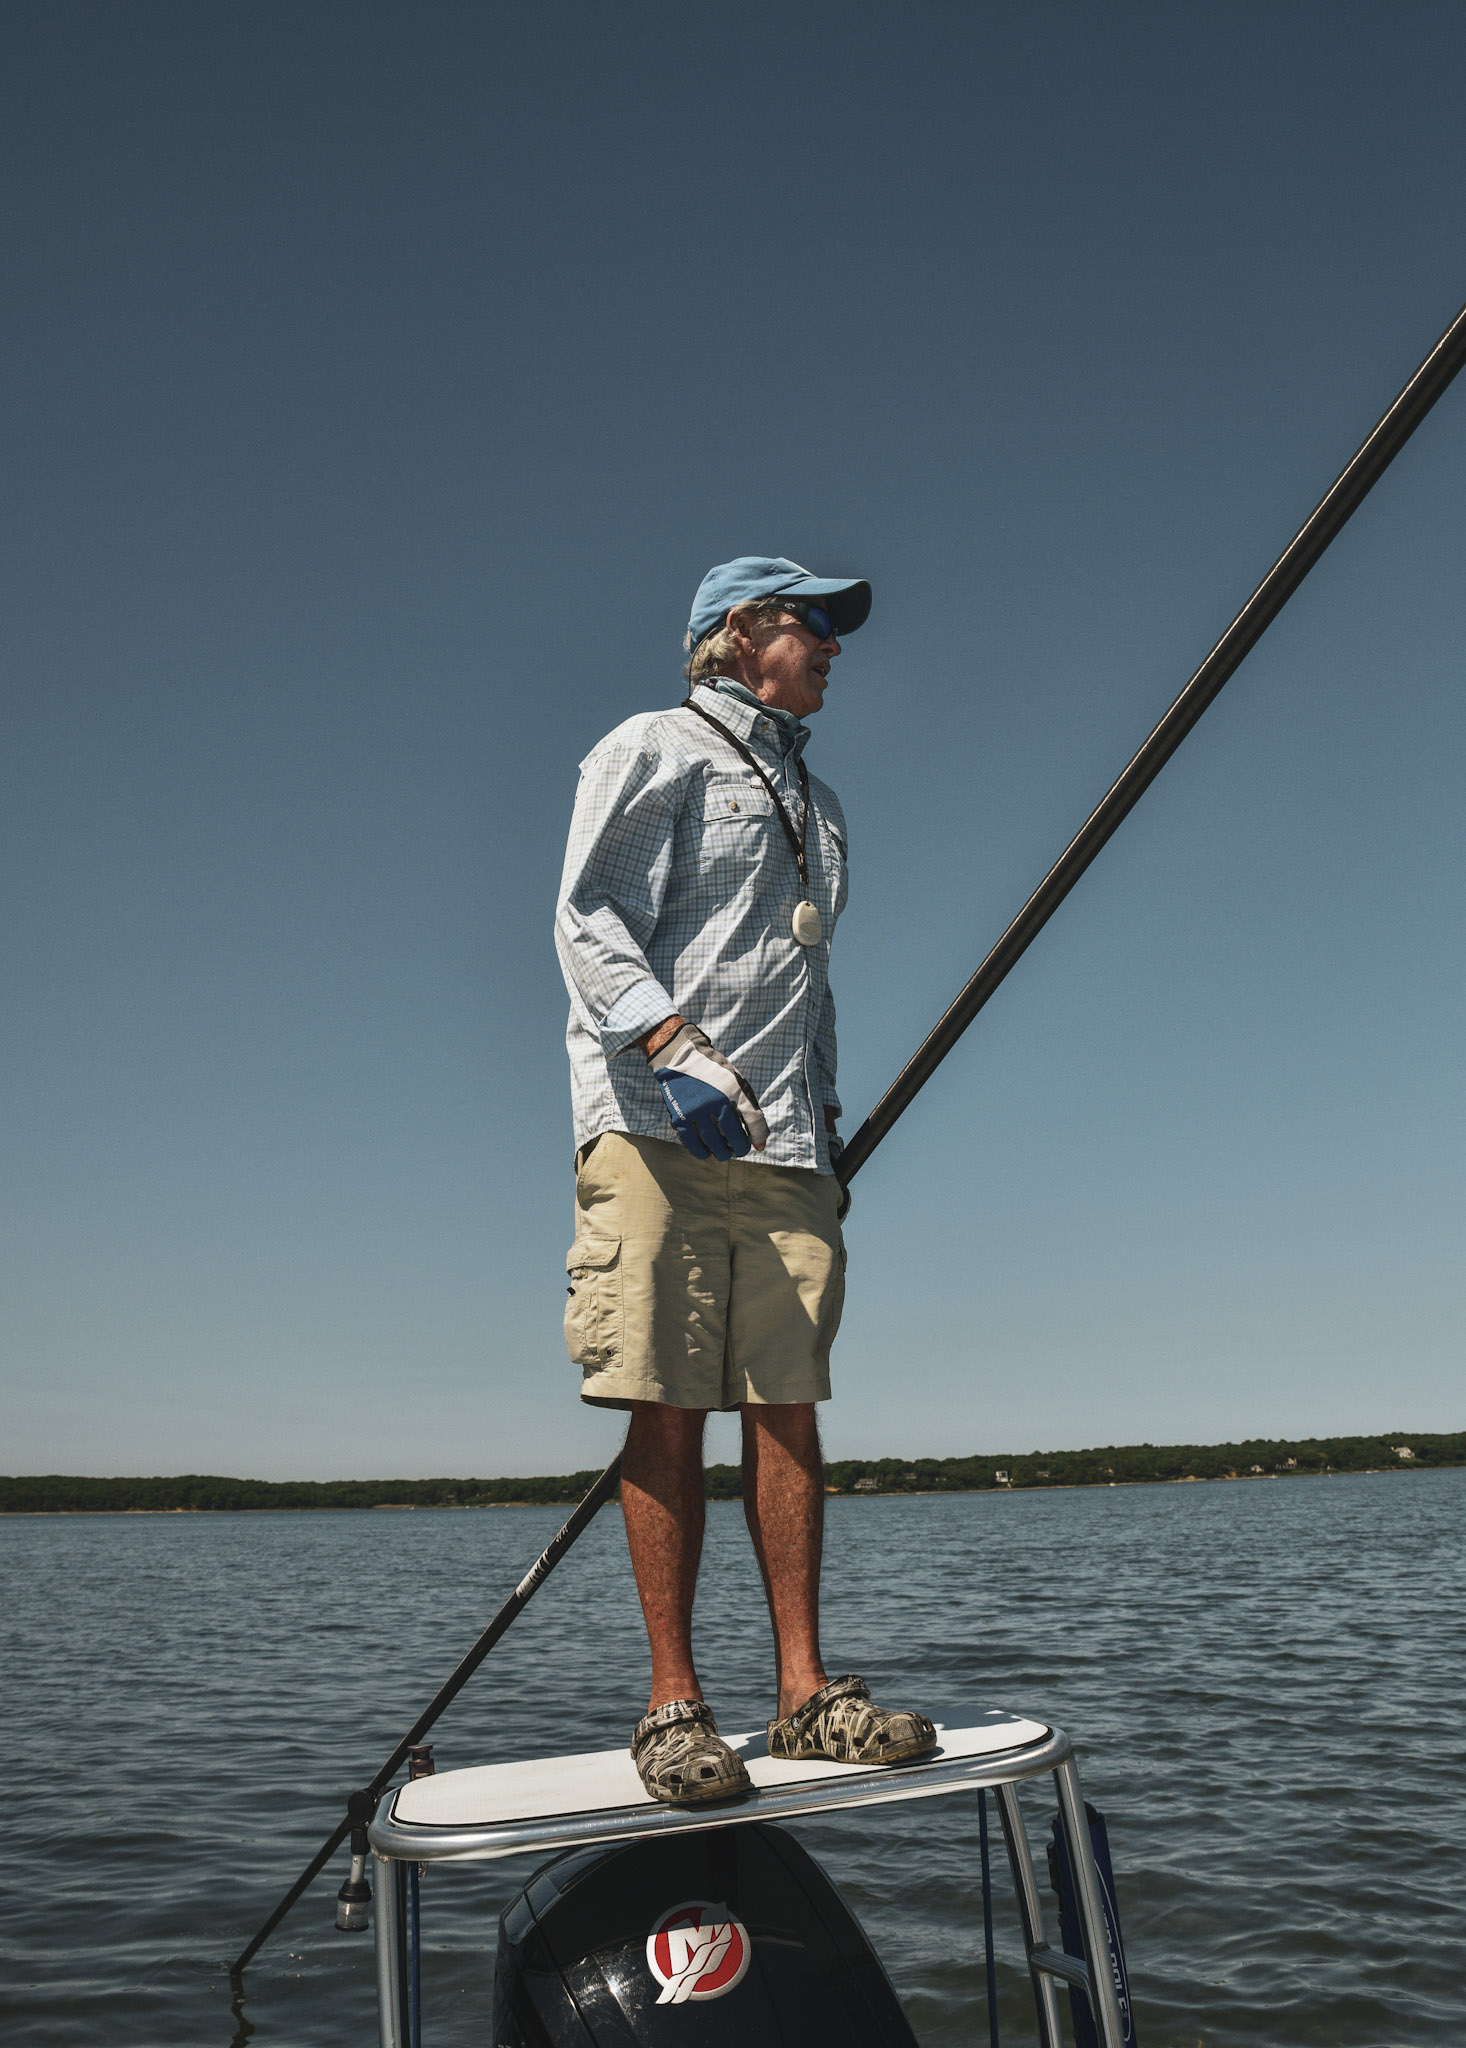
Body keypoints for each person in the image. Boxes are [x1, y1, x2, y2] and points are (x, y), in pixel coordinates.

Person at [555, 556, 935, 1806]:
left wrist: (818, 1134)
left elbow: (803, 986)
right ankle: (673, 1708)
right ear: (738, 631)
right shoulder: (649, 746)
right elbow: (587, 917)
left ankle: (803, 1695)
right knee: (664, 1400)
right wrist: (671, 1046)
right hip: (654, 1120)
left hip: (782, 1149)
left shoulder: (818, 802)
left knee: (788, 1405)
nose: (833, 645)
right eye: (813, 623)